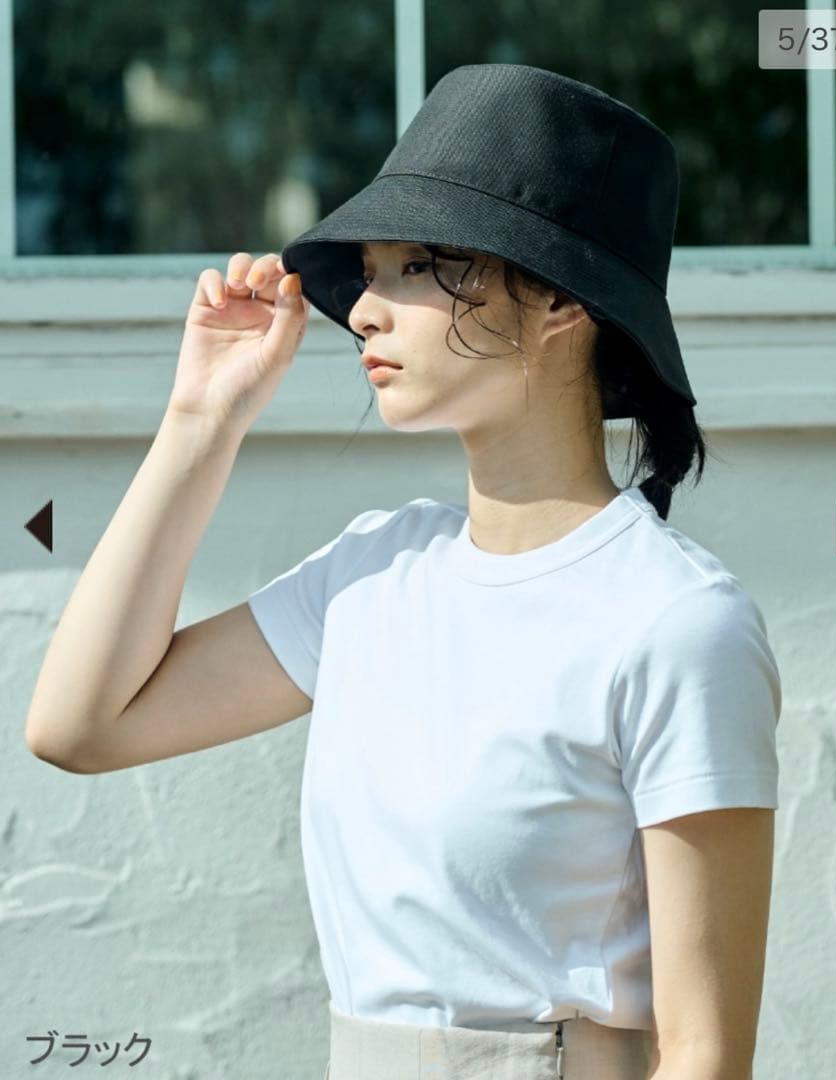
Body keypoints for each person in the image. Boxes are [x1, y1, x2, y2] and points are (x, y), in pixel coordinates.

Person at [25, 64, 780, 1080]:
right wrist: (201, 421)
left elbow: (704, 1055)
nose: (367, 312)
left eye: (418, 266)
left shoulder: (673, 622)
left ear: (560, 298)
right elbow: (79, 726)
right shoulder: (373, 575)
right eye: (369, 272)